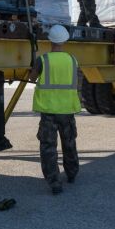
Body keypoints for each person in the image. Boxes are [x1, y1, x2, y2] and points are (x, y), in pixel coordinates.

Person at [30, 24, 81, 195]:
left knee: (48, 147)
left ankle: (54, 183)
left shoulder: (43, 60)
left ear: (50, 40)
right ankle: (72, 174)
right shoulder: (73, 60)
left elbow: (32, 77)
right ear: (65, 40)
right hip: (67, 110)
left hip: (49, 111)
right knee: (69, 143)